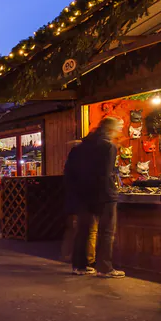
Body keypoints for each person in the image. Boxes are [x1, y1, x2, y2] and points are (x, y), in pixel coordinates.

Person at [70, 116, 125, 278]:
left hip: (83, 193)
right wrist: (112, 190)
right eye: (118, 128)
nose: (120, 131)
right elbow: (106, 173)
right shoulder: (109, 147)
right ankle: (104, 267)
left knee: (83, 230)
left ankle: (80, 266)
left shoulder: (82, 146)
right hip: (104, 194)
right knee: (106, 232)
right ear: (111, 129)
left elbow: (72, 171)